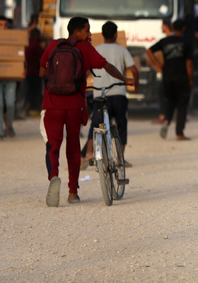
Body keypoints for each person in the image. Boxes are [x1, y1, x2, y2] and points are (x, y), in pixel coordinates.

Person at [40, 16, 134, 207]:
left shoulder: (53, 45)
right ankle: (73, 192)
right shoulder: (83, 48)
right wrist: (124, 79)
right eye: (87, 30)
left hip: (51, 105)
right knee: (73, 147)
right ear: (76, 32)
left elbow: (42, 72)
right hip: (74, 105)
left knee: (53, 145)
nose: (90, 34)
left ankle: (53, 178)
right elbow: (107, 66)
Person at [81, 21, 139, 168]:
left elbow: (85, 72)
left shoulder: (95, 49)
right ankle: (120, 159)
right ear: (115, 35)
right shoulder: (122, 50)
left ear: (102, 34)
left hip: (100, 94)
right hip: (118, 93)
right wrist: (135, 86)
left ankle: (88, 154)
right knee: (121, 125)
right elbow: (134, 70)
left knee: (95, 125)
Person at [145, 18, 193, 140]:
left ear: (172, 27)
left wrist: (157, 64)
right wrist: (190, 79)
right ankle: (179, 133)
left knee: (170, 101)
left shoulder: (164, 41)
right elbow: (189, 64)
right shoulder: (186, 43)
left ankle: (166, 121)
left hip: (167, 76)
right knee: (182, 104)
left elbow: (149, 51)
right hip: (182, 77)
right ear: (184, 29)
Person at [0, 16, 21, 139]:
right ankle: (1, 131)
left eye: (5, 25)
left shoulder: (13, 38)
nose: (3, 27)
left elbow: (20, 53)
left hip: (10, 75)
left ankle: (10, 125)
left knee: (10, 103)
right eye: (1, 24)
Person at [24, 28, 44, 116]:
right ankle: (27, 109)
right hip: (35, 71)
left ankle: (26, 109)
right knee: (34, 91)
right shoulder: (36, 45)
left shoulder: (27, 43)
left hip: (27, 71)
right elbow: (41, 59)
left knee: (29, 91)